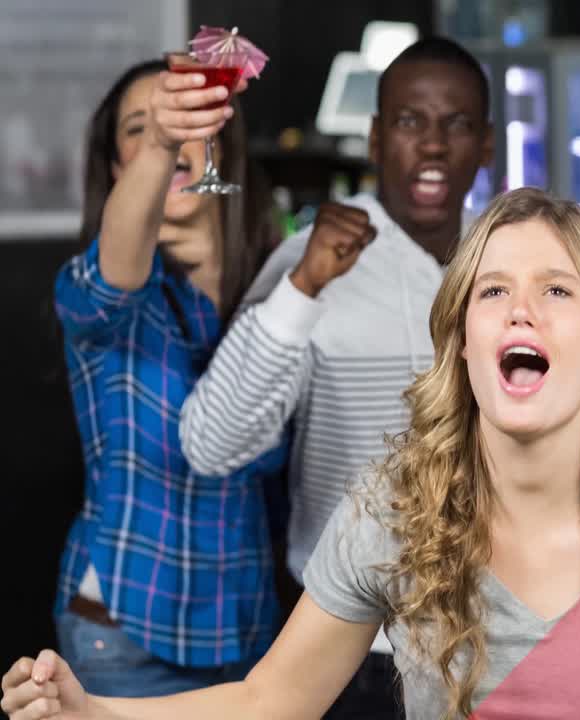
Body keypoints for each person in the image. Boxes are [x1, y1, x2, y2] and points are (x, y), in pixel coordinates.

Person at [1, 187, 580, 720]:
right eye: (493, 290)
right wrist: (90, 711)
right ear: (462, 339)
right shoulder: (399, 508)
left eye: (556, 289)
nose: (522, 310)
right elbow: (270, 700)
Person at [174, 37, 493, 717]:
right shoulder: (311, 259)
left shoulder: (511, 264)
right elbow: (210, 444)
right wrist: (305, 285)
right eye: (410, 122)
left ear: (487, 144)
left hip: (495, 645)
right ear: (376, 139)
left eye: (457, 124)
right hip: (350, 654)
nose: (433, 144)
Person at [45, 59, 284, 696]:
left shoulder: (275, 290)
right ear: (122, 168)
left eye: (189, 119)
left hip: (252, 635)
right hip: (125, 639)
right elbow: (111, 277)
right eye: (140, 129)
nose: (172, 133)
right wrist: (162, 138)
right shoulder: (101, 292)